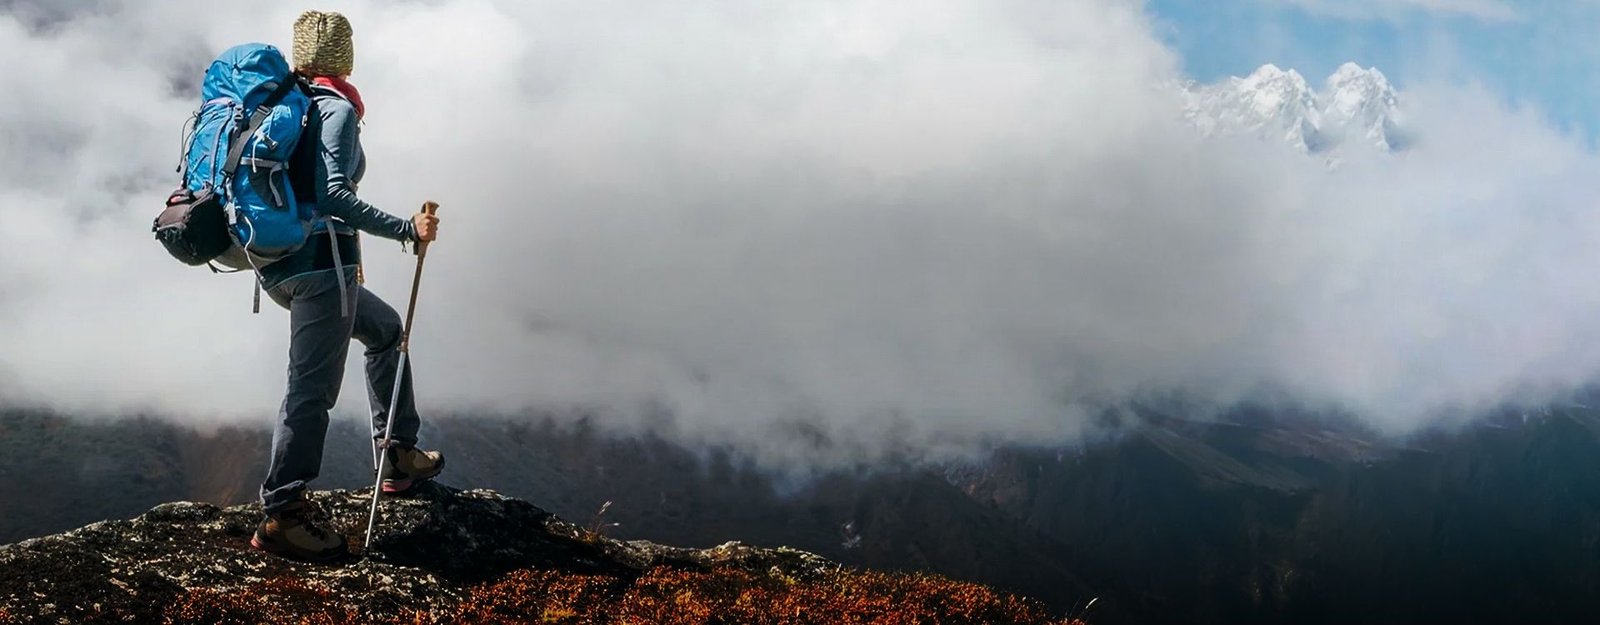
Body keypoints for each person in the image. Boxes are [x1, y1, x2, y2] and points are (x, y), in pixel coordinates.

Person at [249, 10, 445, 562]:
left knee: (385, 331)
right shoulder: (333, 109)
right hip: (321, 271)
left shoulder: (282, 106)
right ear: (344, 57)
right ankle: (282, 514)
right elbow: (333, 194)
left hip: (281, 265)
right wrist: (406, 230)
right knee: (310, 392)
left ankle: (398, 454)